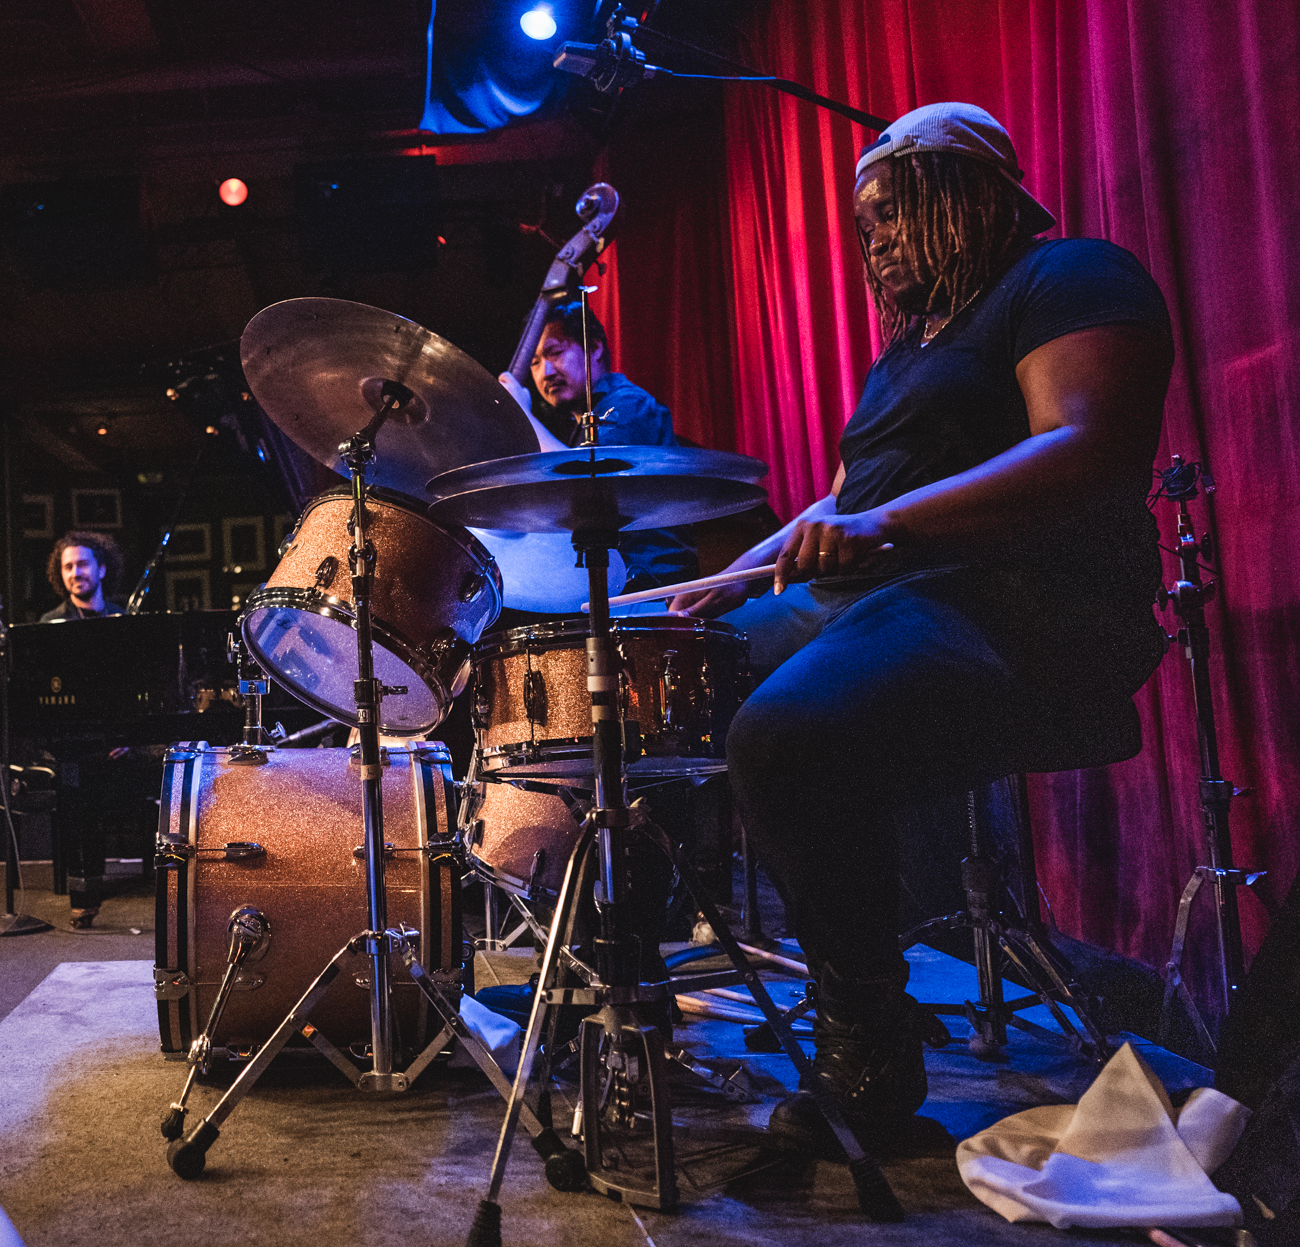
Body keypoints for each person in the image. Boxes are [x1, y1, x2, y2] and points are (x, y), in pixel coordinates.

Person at [672, 103, 1173, 1152]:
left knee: (785, 733)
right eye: (863, 225)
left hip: (1022, 605)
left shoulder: (1066, 276)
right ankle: (636, 998)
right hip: (886, 600)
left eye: (891, 211)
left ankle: (867, 1052)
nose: (875, 240)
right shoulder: (903, 355)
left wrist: (880, 525)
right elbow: (838, 497)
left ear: (970, 197)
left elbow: (1086, 450)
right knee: (662, 689)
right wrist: (733, 579)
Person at [497, 297, 699, 593]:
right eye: (535, 362)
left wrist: (522, 415)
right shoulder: (579, 429)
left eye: (554, 353)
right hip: (615, 592)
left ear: (594, 348)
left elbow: (579, 481)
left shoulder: (629, 404)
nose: (545, 373)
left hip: (653, 595)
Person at [38, 531, 126, 622]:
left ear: (101, 570)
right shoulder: (51, 621)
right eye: (68, 567)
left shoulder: (122, 616)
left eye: (83, 564)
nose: (76, 573)